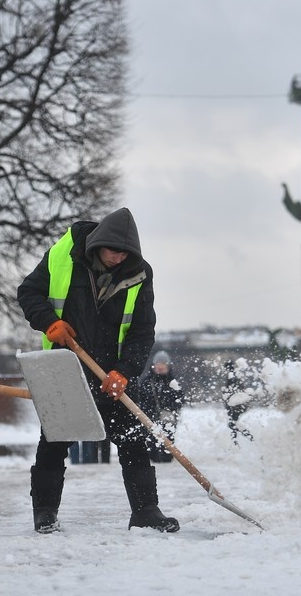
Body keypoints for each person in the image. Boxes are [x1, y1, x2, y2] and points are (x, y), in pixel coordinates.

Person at [16, 207, 179, 534]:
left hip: (112, 374)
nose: (118, 258)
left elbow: (143, 331)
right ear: (98, 244)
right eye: (112, 251)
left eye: (125, 253)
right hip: (66, 367)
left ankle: (146, 511)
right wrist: (50, 322)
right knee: (54, 440)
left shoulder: (139, 274)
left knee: (133, 440)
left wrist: (125, 370)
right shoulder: (64, 254)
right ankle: (45, 512)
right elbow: (28, 293)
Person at [137, 351, 184, 463]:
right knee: (152, 442)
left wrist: (169, 409)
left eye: (163, 363)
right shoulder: (147, 381)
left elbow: (179, 400)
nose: (160, 366)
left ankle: (166, 457)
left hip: (168, 417)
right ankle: (154, 457)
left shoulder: (173, 382)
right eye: (158, 363)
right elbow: (140, 398)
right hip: (150, 418)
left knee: (168, 440)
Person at [222, 360, 254, 443]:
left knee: (232, 423)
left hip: (235, 406)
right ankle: (238, 440)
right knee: (233, 423)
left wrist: (229, 402)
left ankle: (247, 438)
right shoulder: (235, 377)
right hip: (236, 405)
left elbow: (232, 393)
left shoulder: (231, 377)